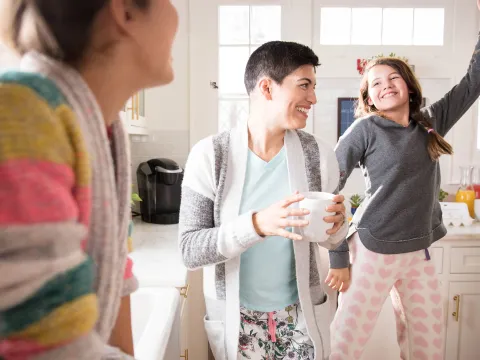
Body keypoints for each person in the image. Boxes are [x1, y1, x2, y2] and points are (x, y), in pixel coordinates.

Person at [0, 0, 178, 359]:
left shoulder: (107, 133)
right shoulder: (22, 115)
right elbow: (41, 346)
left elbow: (117, 274)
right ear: (124, 10)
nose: (177, 14)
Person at [179, 41, 348, 360]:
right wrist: (257, 225)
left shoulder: (319, 156)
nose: (313, 98)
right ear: (267, 88)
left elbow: (330, 239)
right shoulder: (210, 156)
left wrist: (338, 226)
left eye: (313, 87)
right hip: (237, 320)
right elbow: (190, 250)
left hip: (301, 317)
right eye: (304, 86)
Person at [329, 4, 480, 359]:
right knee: (345, 346)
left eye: (393, 78)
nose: (386, 86)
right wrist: (338, 256)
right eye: (376, 83)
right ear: (369, 99)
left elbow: (473, 83)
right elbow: (328, 189)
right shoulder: (363, 130)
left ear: (409, 87)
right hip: (371, 250)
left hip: (420, 254)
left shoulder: (431, 120)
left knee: (428, 348)